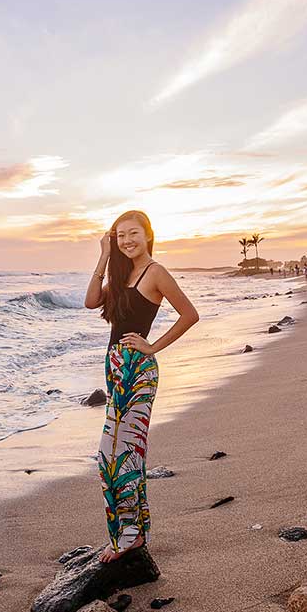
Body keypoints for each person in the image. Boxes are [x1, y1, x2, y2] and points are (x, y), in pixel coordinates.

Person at [84, 210, 199, 563]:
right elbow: (90, 301)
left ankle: (130, 535)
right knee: (113, 453)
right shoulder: (121, 275)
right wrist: (104, 255)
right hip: (115, 368)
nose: (127, 240)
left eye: (133, 233)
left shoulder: (155, 273)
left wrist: (152, 346)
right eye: (120, 236)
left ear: (148, 235)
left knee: (121, 453)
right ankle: (132, 531)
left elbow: (189, 314)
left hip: (138, 369)